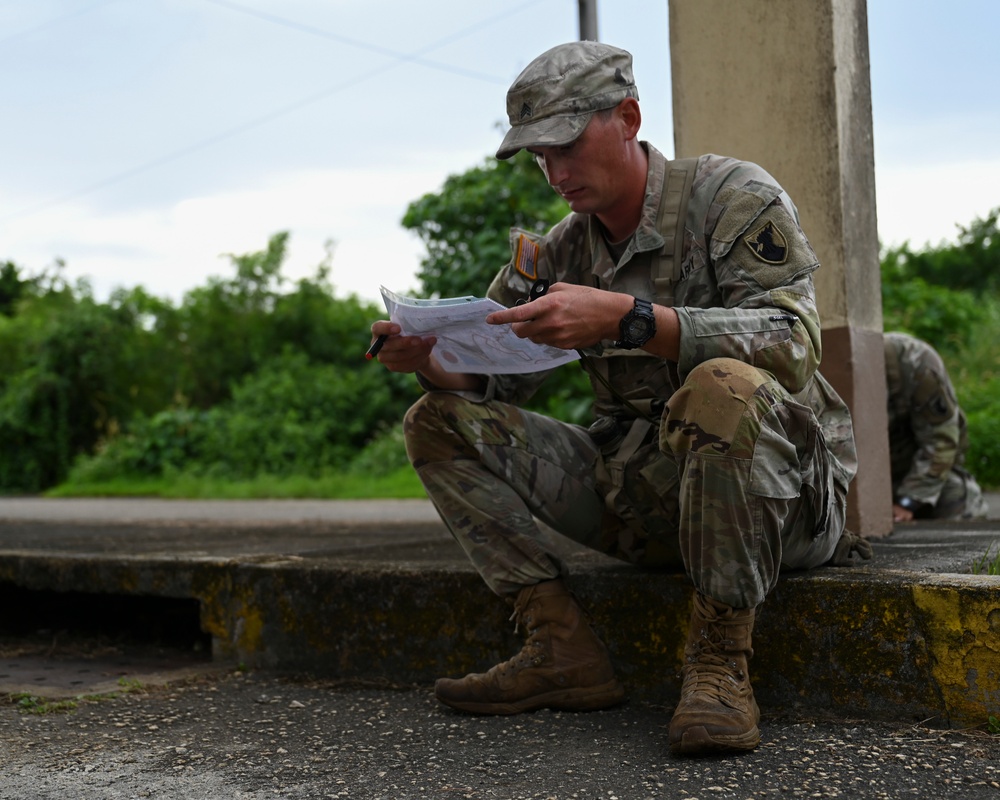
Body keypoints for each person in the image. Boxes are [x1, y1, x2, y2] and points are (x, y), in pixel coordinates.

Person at [370, 41, 862, 756]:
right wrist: (433, 360)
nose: (555, 172)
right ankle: (559, 646)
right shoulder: (559, 254)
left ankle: (720, 664)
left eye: (567, 145)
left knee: (721, 387)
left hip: (782, 504)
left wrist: (630, 319)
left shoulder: (731, 197)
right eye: (539, 155)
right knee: (436, 420)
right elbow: (492, 384)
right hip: (647, 499)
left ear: (628, 117)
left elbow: (792, 343)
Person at [884, 331, 988, 522]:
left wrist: (909, 501)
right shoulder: (833, 370)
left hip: (915, 471)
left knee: (961, 498)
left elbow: (941, 439)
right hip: (860, 481)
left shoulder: (914, 361)